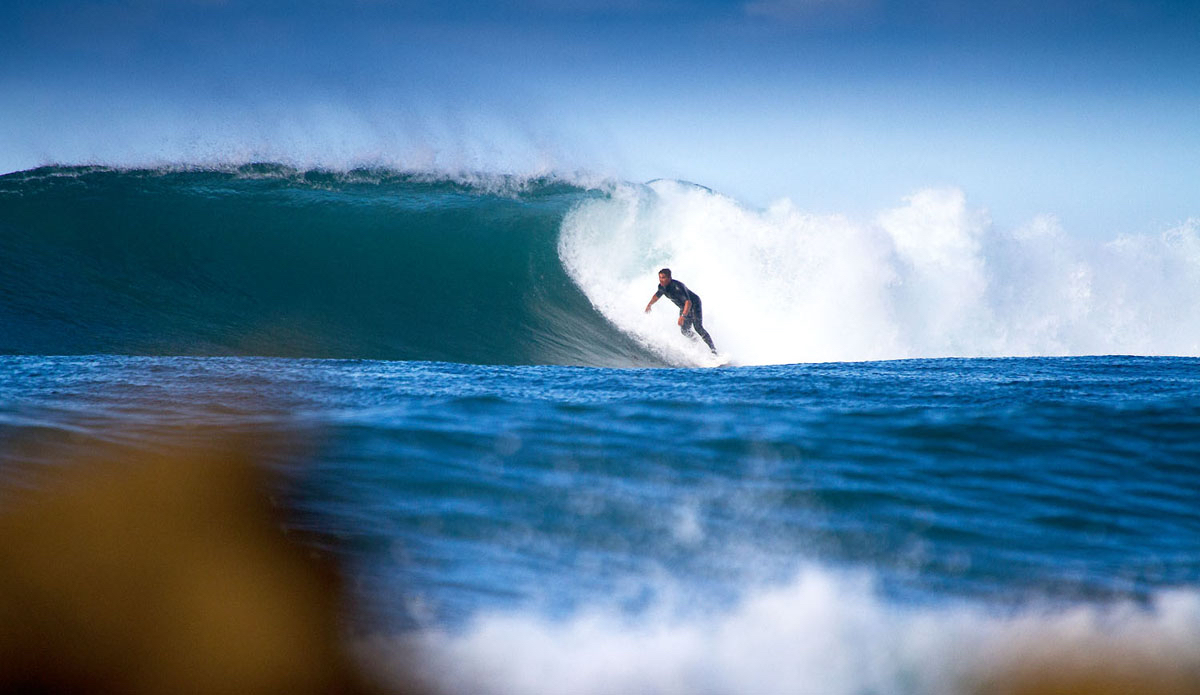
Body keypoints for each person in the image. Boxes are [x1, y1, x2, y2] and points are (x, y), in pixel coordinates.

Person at [644, 268, 716, 353]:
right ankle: (697, 343)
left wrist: (683, 316)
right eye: (659, 277)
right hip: (684, 307)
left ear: (669, 278)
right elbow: (657, 295)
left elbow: (688, 302)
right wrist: (649, 304)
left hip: (694, 304)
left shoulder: (677, 287)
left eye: (663, 278)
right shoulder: (662, 287)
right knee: (684, 330)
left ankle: (713, 350)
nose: (661, 280)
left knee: (698, 327)